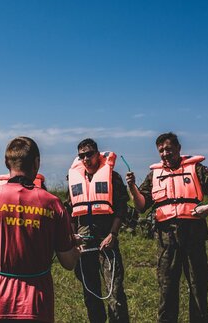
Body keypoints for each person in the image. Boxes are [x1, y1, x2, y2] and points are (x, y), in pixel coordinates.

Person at [0, 137, 79, 322]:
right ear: (37, 163)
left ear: (6, 162)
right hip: (35, 305)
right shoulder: (53, 204)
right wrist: (75, 250)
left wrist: (0, 251)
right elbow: (68, 262)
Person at [127, 132, 208, 323]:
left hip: (194, 233)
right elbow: (141, 206)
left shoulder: (197, 169)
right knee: (167, 286)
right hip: (166, 237)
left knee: (198, 285)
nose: (165, 153)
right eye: (161, 150)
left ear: (178, 149)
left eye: (168, 149)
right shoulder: (154, 175)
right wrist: (132, 187)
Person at [66, 138, 130, 323]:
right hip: (84, 243)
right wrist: (72, 237)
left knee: (115, 292)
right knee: (90, 293)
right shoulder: (73, 179)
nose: (86, 159)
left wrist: (113, 234)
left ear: (97, 154)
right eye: (81, 156)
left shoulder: (112, 177)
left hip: (107, 240)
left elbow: (121, 208)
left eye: (89, 154)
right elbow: (70, 211)